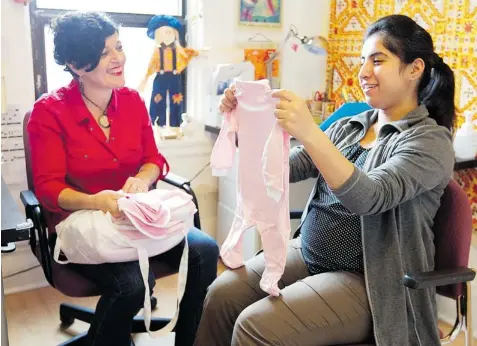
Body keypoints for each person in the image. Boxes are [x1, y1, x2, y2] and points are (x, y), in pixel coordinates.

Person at [193, 14, 455, 346]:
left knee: (254, 326)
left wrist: (309, 132)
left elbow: (369, 197)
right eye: (362, 61)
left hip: (370, 280)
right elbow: (281, 170)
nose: (362, 73)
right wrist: (248, 118)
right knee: (221, 296)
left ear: (414, 69)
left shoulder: (428, 142)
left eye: (378, 61)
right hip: (310, 253)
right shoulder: (353, 124)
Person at [27, 12, 219, 346]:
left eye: (118, 47)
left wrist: (143, 180)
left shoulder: (132, 102)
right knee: (132, 284)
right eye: (104, 54)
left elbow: (153, 160)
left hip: (137, 220)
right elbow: (48, 188)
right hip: (83, 225)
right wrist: (97, 201)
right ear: (76, 63)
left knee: (204, 250)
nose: (118, 59)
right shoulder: (50, 112)